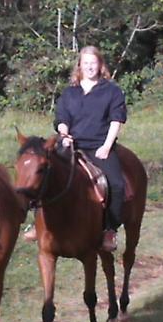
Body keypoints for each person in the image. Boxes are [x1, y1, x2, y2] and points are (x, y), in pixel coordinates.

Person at [53, 45, 128, 252]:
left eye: (93, 63)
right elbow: (62, 118)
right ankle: (40, 223)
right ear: (79, 66)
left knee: (117, 184)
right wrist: (64, 134)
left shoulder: (112, 91)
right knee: (45, 174)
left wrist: (106, 146)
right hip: (72, 144)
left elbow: (116, 119)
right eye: (85, 63)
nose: (89, 67)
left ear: (100, 64)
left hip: (98, 146)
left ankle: (110, 230)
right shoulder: (70, 92)